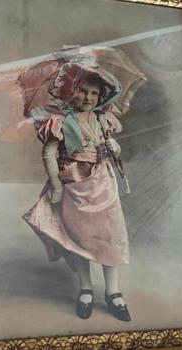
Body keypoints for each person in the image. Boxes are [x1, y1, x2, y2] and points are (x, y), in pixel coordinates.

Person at [23, 62, 131, 321]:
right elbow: (48, 153)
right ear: (71, 91)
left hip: (103, 184)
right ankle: (86, 288)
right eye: (82, 91)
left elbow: (113, 147)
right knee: (78, 237)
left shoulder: (102, 118)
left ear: (101, 96)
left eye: (94, 93)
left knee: (109, 235)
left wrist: (114, 147)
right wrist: (57, 186)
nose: (88, 98)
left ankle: (113, 291)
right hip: (75, 186)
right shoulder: (62, 121)